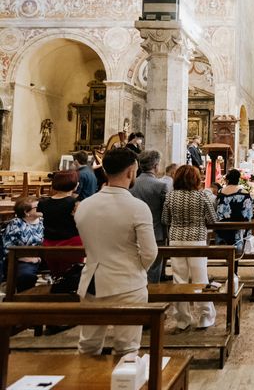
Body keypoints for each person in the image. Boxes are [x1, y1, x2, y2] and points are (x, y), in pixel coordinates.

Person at [75, 148, 157, 356]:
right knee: (127, 348)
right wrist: (136, 268)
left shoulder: (85, 205)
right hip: (127, 283)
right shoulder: (137, 207)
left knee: (88, 346)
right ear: (131, 172)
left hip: (92, 281)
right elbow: (149, 253)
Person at [162, 165, 217, 330]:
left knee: (179, 279)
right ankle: (205, 317)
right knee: (200, 278)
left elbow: (165, 219)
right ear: (195, 179)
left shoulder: (171, 196)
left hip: (176, 240)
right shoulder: (201, 196)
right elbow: (213, 219)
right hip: (197, 240)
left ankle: (182, 319)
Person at [130, 150, 168, 284]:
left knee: (136, 268)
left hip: (133, 232)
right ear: (156, 166)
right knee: (153, 271)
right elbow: (165, 212)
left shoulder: (131, 184)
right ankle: (151, 299)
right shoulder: (161, 185)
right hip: (156, 232)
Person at [38, 170, 83, 278]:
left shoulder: (43, 203)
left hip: (49, 244)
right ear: (74, 185)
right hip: (71, 244)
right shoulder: (75, 203)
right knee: (71, 275)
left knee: (57, 275)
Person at [1, 197, 43, 292]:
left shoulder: (43, 221)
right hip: (22, 258)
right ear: (26, 212)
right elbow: (7, 248)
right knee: (26, 275)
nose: (41, 208)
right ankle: (25, 300)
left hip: (43, 256)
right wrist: (26, 258)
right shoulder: (16, 224)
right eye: (37, 207)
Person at [216, 168, 254, 255]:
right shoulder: (244, 193)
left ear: (227, 180)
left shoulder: (220, 192)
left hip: (222, 228)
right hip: (239, 229)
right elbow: (249, 214)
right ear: (238, 179)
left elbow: (216, 209)